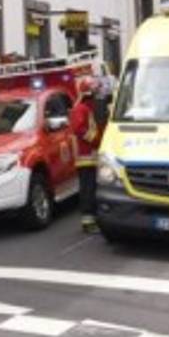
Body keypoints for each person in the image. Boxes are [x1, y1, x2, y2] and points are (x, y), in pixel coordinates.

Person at [71, 76, 104, 234]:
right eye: (96, 89)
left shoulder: (88, 107)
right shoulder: (80, 109)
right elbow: (79, 129)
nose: (98, 92)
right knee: (88, 189)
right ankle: (88, 221)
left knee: (93, 188)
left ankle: (94, 218)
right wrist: (96, 140)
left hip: (92, 156)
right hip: (85, 158)